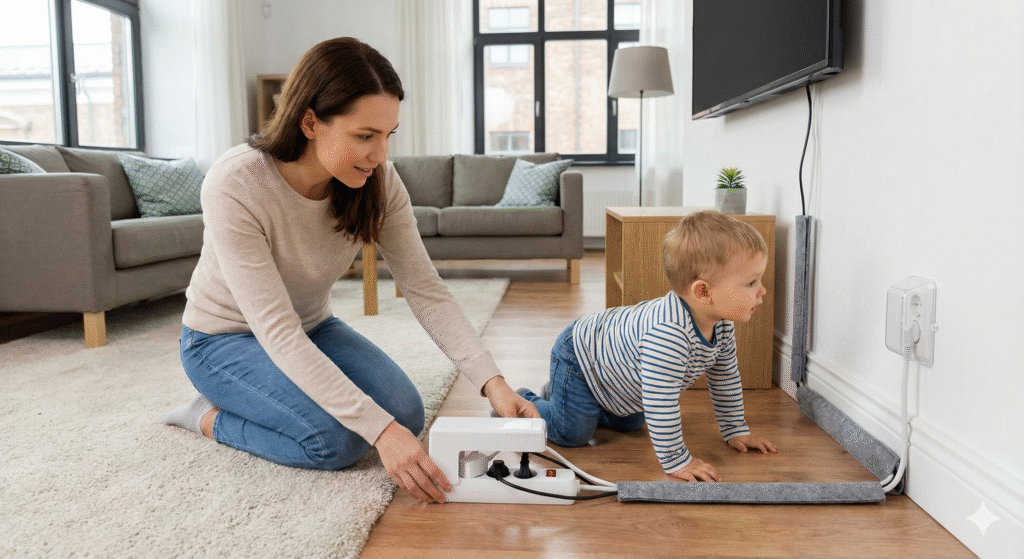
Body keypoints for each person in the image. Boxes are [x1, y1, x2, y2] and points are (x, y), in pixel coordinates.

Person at [163, 37, 538, 503]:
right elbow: (276, 330)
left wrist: (492, 382)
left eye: (388, 135)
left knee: (405, 415)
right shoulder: (236, 181)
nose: (380, 155)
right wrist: (380, 433)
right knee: (334, 442)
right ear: (310, 123)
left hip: (312, 326)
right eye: (365, 136)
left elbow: (425, 289)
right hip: (221, 340)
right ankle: (206, 416)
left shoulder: (379, 182)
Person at [517, 210, 778, 482]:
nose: (762, 290)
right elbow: (661, 402)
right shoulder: (668, 335)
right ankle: (526, 400)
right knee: (572, 433)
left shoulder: (721, 324)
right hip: (581, 357)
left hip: (615, 373)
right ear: (703, 292)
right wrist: (676, 460)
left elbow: (725, 378)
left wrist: (736, 430)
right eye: (751, 282)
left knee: (632, 421)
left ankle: (563, 394)